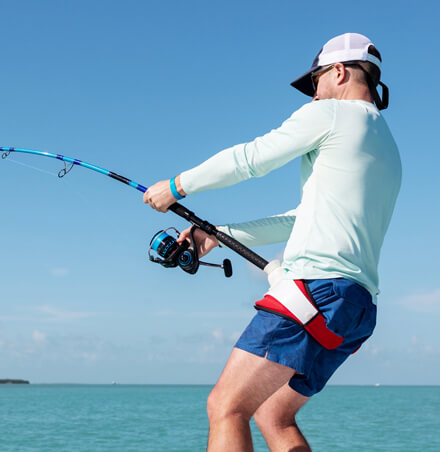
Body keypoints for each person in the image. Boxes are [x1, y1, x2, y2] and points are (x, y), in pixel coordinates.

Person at [144, 33, 401, 452]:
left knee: (226, 407)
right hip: (356, 308)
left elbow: (251, 159)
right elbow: (302, 219)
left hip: (316, 289)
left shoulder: (333, 114)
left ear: (338, 72)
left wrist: (176, 186)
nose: (314, 95)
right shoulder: (385, 145)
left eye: (314, 82)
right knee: (272, 414)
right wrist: (219, 235)